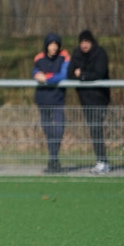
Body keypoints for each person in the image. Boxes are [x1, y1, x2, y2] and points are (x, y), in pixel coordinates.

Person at [68, 29, 111, 174]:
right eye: (82, 42)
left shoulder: (100, 53)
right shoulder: (76, 54)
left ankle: (102, 161)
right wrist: (82, 76)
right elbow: (70, 74)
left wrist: (82, 75)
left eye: (87, 42)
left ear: (92, 42)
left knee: (96, 128)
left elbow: (99, 73)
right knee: (93, 129)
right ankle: (101, 160)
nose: (84, 45)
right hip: (85, 99)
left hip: (99, 98)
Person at [33, 32, 70, 173]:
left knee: (59, 129)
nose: (53, 48)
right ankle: (53, 160)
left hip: (58, 99)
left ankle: (53, 159)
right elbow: (35, 72)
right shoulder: (39, 57)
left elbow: (63, 75)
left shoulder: (64, 56)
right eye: (51, 45)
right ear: (46, 46)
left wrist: (47, 78)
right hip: (42, 99)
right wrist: (36, 75)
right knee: (48, 131)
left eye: (56, 45)